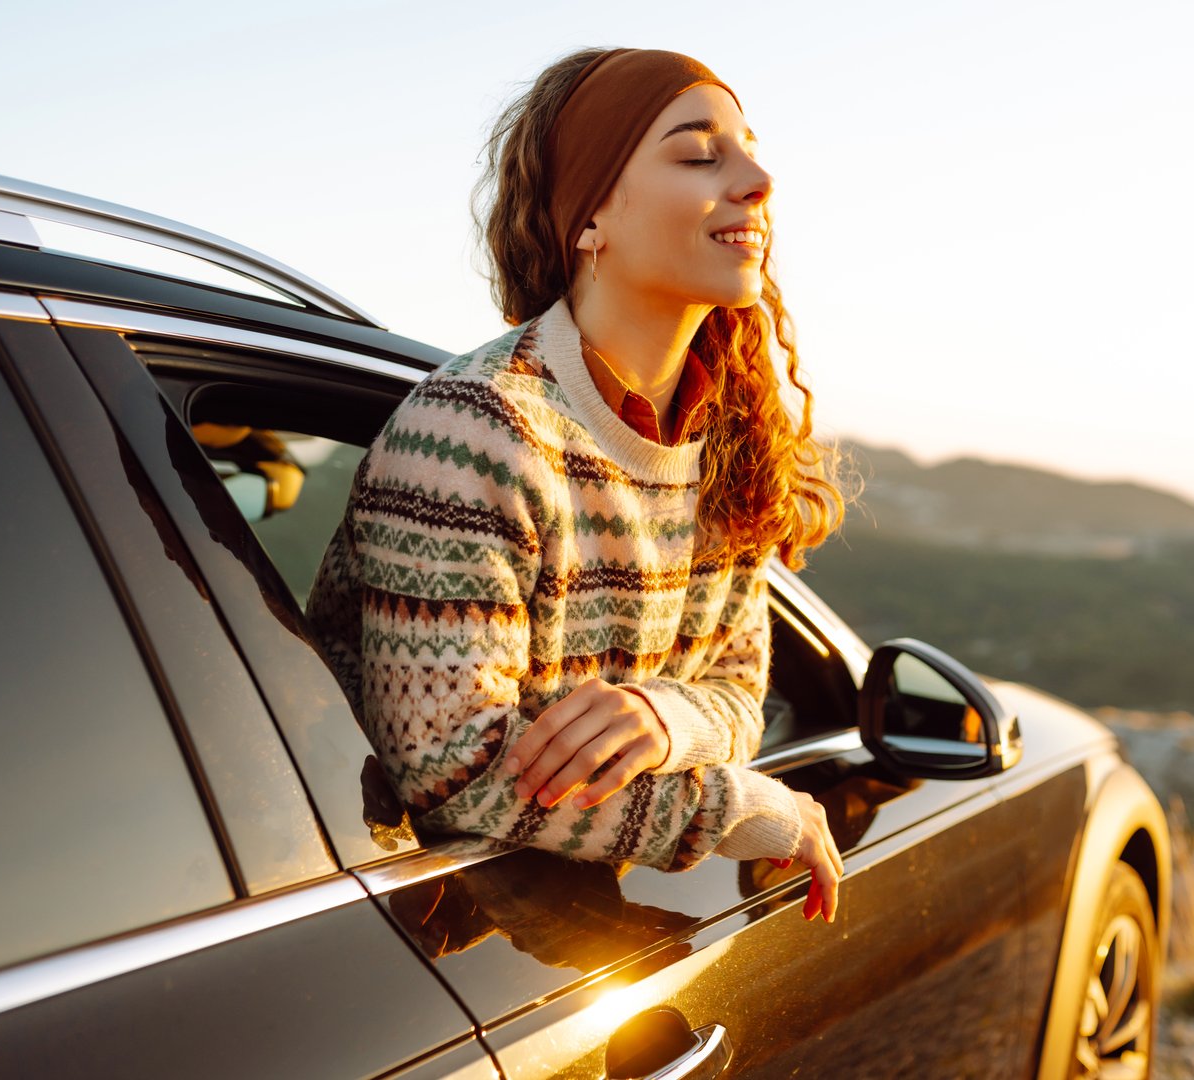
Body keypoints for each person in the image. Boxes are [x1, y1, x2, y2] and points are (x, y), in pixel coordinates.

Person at [307, 47, 850, 922]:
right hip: (399, 936)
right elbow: (453, 775)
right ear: (589, 216)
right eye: (698, 154)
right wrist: (741, 808)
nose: (759, 181)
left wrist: (664, 719)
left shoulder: (731, 440)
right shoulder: (477, 434)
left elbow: (740, 694)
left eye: (749, 151)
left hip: (579, 932)